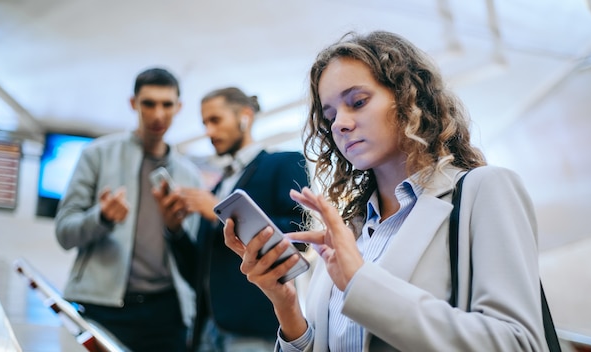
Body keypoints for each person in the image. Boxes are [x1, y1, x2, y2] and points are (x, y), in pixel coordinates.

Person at [222, 31, 550, 351]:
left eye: (358, 102)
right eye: (330, 115)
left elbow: (518, 342)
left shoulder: (484, 189)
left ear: (410, 98)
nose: (339, 124)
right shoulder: (347, 229)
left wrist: (360, 282)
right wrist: (289, 312)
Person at [55, 67, 202, 352]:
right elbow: (64, 233)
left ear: (179, 107)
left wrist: (175, 230)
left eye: (167, 104)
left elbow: (192, 258)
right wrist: (102, 218)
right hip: (102, 307)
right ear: (133, 103)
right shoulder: (97, 155)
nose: (158, 114)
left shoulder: (190, 176)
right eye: (149, 103)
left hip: (167, 314)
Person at [162, 87, 311, 352]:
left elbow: (299, 234)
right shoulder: (219, 185)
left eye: (215, 120)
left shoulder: (283, 163)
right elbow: (198, 269)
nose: (208, 131)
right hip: (207, 328)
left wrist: (221, 213)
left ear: (245, 116)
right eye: (205, 123)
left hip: (253, 328)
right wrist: (174, 229)